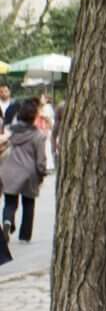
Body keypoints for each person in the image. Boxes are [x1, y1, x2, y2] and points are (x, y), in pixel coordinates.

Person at [0, 96, 50, 244]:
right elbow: (41, 160)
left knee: (10, 203)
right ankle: (25, 235)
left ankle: (7, 222)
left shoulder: (12, 132)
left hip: (10, 170)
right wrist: (42, 173)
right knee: (28, 204)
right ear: (34, 116)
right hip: (29, 173)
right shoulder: (38, 136)